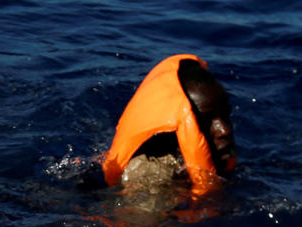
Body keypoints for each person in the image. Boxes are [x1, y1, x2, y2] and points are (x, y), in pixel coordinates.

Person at [100, 54, 236, 193]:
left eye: (225, 114)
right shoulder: (151, 179)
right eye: (205, 121)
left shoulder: (213, 156)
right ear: (172, 131)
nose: (225, 131)